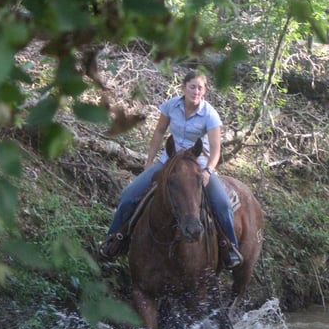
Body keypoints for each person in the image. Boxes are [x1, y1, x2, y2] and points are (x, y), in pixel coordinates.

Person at [100, 70, 243, 268]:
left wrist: (208, 170)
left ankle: (230, 249)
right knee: (129, 195)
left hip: (197, 166)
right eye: (192, 86)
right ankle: (114, 240)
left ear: (205, 91)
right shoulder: (171, 106)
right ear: (183, 87)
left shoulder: (210, 114)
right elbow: (159, 132)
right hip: (169, 162)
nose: (196, 91)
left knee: (223, 204)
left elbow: (216, 149)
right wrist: (149, 162)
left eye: (200, 88)